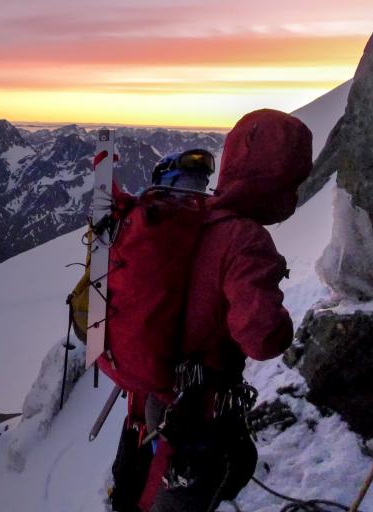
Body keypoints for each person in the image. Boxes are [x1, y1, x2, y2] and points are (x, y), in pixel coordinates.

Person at [115, 109, 312, 512]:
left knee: (166, 484)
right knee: (187, 493)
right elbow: (261, 337)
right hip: (198, 409)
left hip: (162, 394)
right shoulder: (246, 239)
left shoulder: (194, 215)